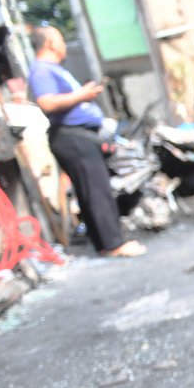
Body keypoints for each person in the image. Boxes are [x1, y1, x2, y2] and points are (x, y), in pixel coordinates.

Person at [28, 26, 145, 257]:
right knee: (96, 189)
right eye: (61, 39)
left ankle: (105, 243)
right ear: (51, 43)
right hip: (71, 136)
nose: (63, 44)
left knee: (91, 191)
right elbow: (47, 103)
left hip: (76, 136)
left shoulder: (52, 69)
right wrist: (82, 95)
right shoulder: (42, 70)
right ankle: (113, 245)